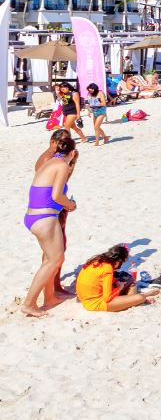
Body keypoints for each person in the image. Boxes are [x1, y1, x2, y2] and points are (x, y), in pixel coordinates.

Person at [22, 133, 78, 317]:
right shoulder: (61, 165)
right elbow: (56, 196)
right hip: (45, 218)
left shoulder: (48, 161)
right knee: (55, 260)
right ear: (71, 153)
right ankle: (29, 304)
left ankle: (50, 297)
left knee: (48, 259)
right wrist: (70, 205)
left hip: (33, 216)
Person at [75, 244, 159, 312]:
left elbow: (98, 280)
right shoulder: (107, 269)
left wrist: (117, 283)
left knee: (130, 281)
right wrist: (119, 288)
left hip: (84, 296)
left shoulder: (97, 260)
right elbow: (107, 298)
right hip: (95, 303)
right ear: (118, 261)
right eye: (121, 262)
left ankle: (130, 300)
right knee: (140, 297)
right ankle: (137, 299)